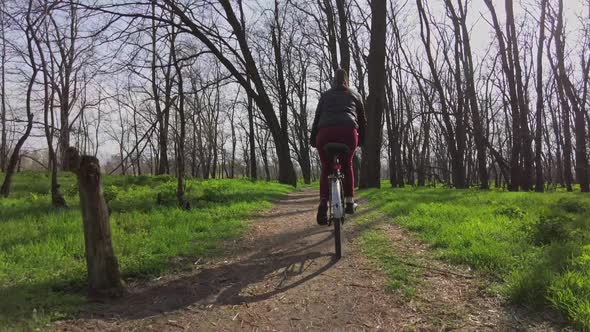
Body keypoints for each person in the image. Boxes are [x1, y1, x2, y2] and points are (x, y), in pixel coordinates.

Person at [310, 69, 366, 225]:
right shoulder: (355, 95)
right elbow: (363, 122)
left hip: (325, 133)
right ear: (346, 82)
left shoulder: (325, 96)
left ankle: (323, 202)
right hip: (348, 132)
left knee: (326, 167)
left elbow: (317, 119)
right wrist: (361, 140)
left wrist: (313, 140)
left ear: (334, 81)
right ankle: (349, 202)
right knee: (347, 165)